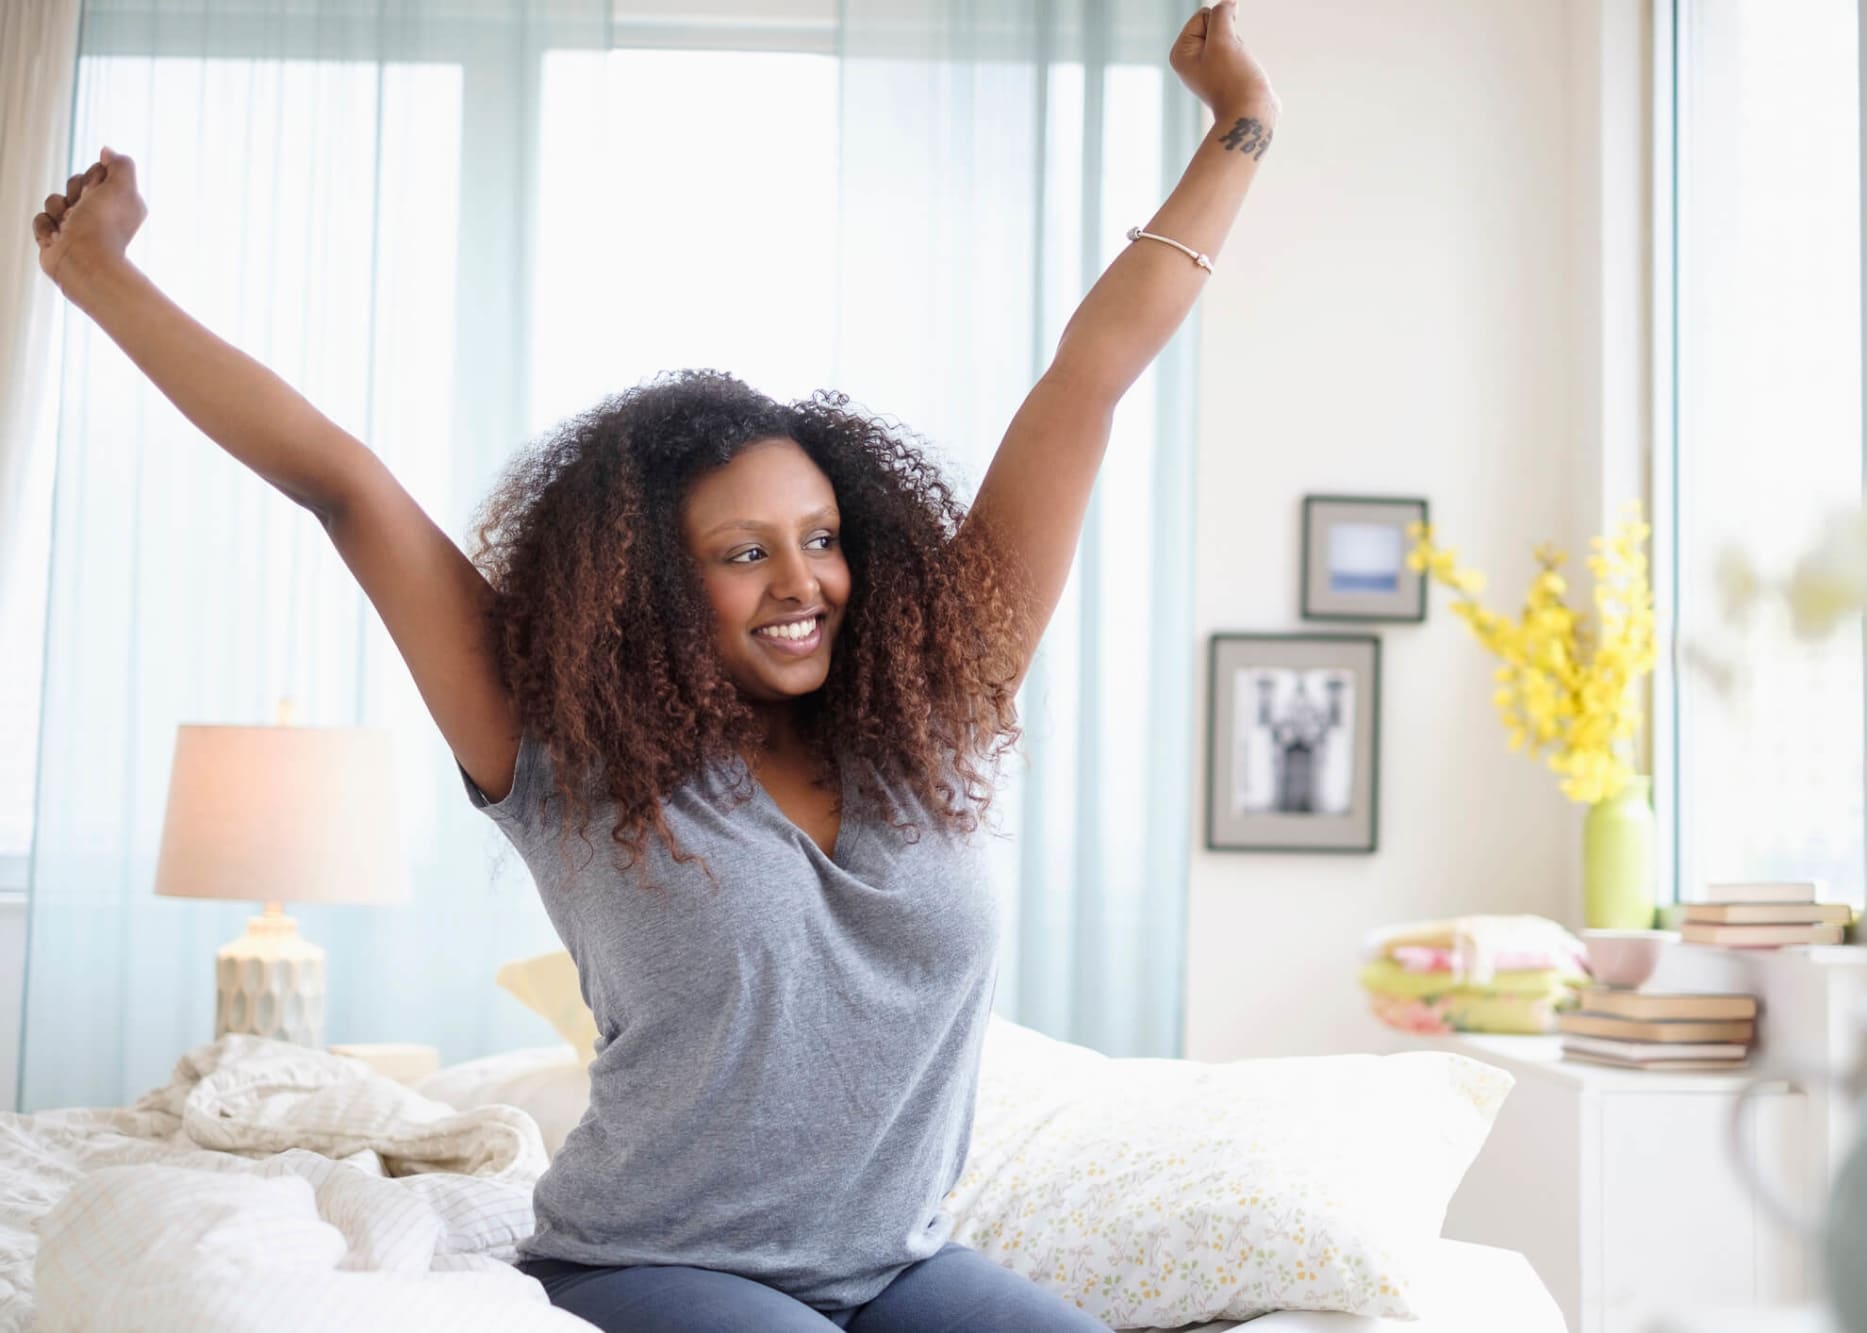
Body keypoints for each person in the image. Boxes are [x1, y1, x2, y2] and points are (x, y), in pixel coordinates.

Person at [30, 3, 1274, 1328]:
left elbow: (1088, 377)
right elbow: (346, 488)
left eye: (822, 539)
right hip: (654, 1265)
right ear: (651, 583)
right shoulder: (557, 746)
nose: (803, 582)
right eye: (744, 553)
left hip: (901, 1263)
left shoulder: (937, 703)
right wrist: (103, 275)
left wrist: (1239, 120)